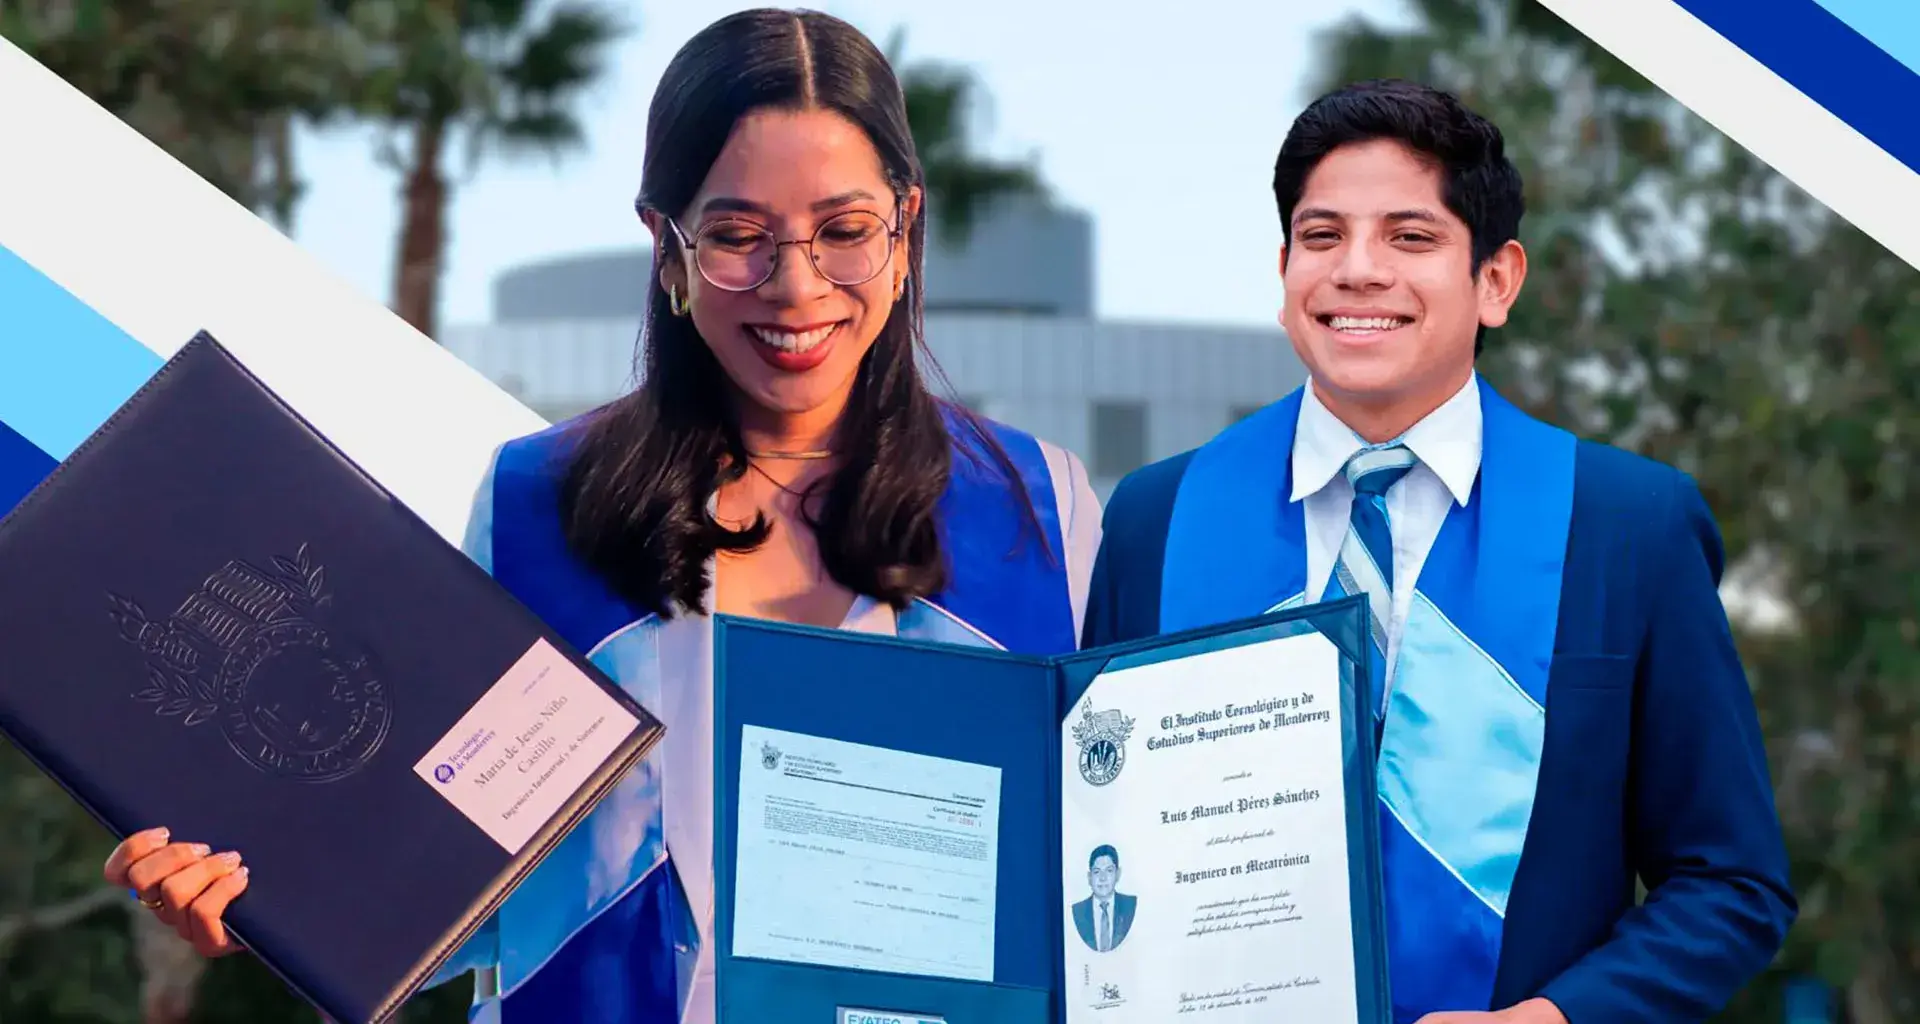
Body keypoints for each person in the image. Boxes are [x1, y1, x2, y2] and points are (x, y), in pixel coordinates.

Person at [100, 9, 1101, 1023]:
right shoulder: (539, 505)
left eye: (844, 231)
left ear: (905, 229)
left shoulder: (1038, 510)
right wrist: (264, 895)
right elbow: (449, 882)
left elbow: (1107, 857)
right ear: (665, 246)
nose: (797, 287)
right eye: (737, 237)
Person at [1081, 79, 1796, 1024]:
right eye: (1322, 236)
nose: (1357, 271)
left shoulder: (1627, 528)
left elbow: (1730, 883)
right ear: (1285, 271)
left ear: (1496, 281)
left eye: (1410, 238)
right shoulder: (1158, 520)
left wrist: (1553, 1021)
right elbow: (1092, 827)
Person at [1070, 844, 1135, 953]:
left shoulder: (1131, 906)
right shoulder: (1077, 911)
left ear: (1118, 874)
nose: (1103, 878)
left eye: (1109, 870)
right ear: (1089, 877)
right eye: (1097, 872)